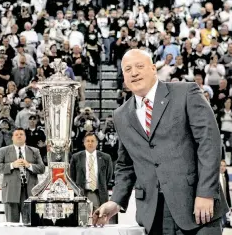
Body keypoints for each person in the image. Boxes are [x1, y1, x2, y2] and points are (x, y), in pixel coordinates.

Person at [93, 49, 229, 235]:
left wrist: (206, 192)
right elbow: (126, 164)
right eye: (128, 69)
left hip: (198, 209)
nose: (134, 72)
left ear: (153, 68)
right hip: (153, 214)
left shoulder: (186, 92)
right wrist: (116, 201)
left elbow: (209, 143)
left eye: (140, 66)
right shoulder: (121, 115)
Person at [0, 128, 45, 222]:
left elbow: (42, 169)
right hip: (11, 191)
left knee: (31, 225)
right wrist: (12, 165)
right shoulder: (4, 150)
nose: (19, 136)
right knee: (11, 226)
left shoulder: (35, 151)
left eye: (21, 134)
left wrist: (29, 165)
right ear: (12, 138)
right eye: (16, 134)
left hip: (30, 192)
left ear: (25, 137)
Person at [70, 132, 113, 211]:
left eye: (92, 141)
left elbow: (108, 177)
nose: (90, 143)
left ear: (97, 143)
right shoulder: (76, 157)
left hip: (99, 193)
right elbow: (72, 176)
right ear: (84, 143)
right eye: (88, 141)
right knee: (82, 219)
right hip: (81, 193)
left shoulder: (106, 158)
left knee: (99, 218)